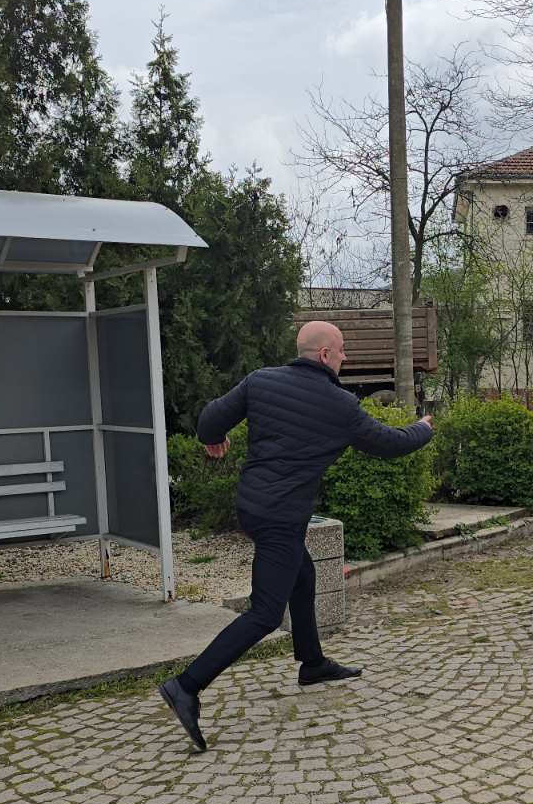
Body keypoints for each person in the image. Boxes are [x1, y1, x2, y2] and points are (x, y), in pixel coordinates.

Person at [159, 321, 433, 751]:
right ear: (324, 355)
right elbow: (389, 443)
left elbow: (210, 419)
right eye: (341, 350)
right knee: (265, 613)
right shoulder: (339, 404)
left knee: (303, 575)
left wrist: (213, 438)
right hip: (281, 517)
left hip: (254, 506)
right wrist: (424, 428)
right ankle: (186, 686)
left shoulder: (260, 381)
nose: (345, 358)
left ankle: (313, 662)